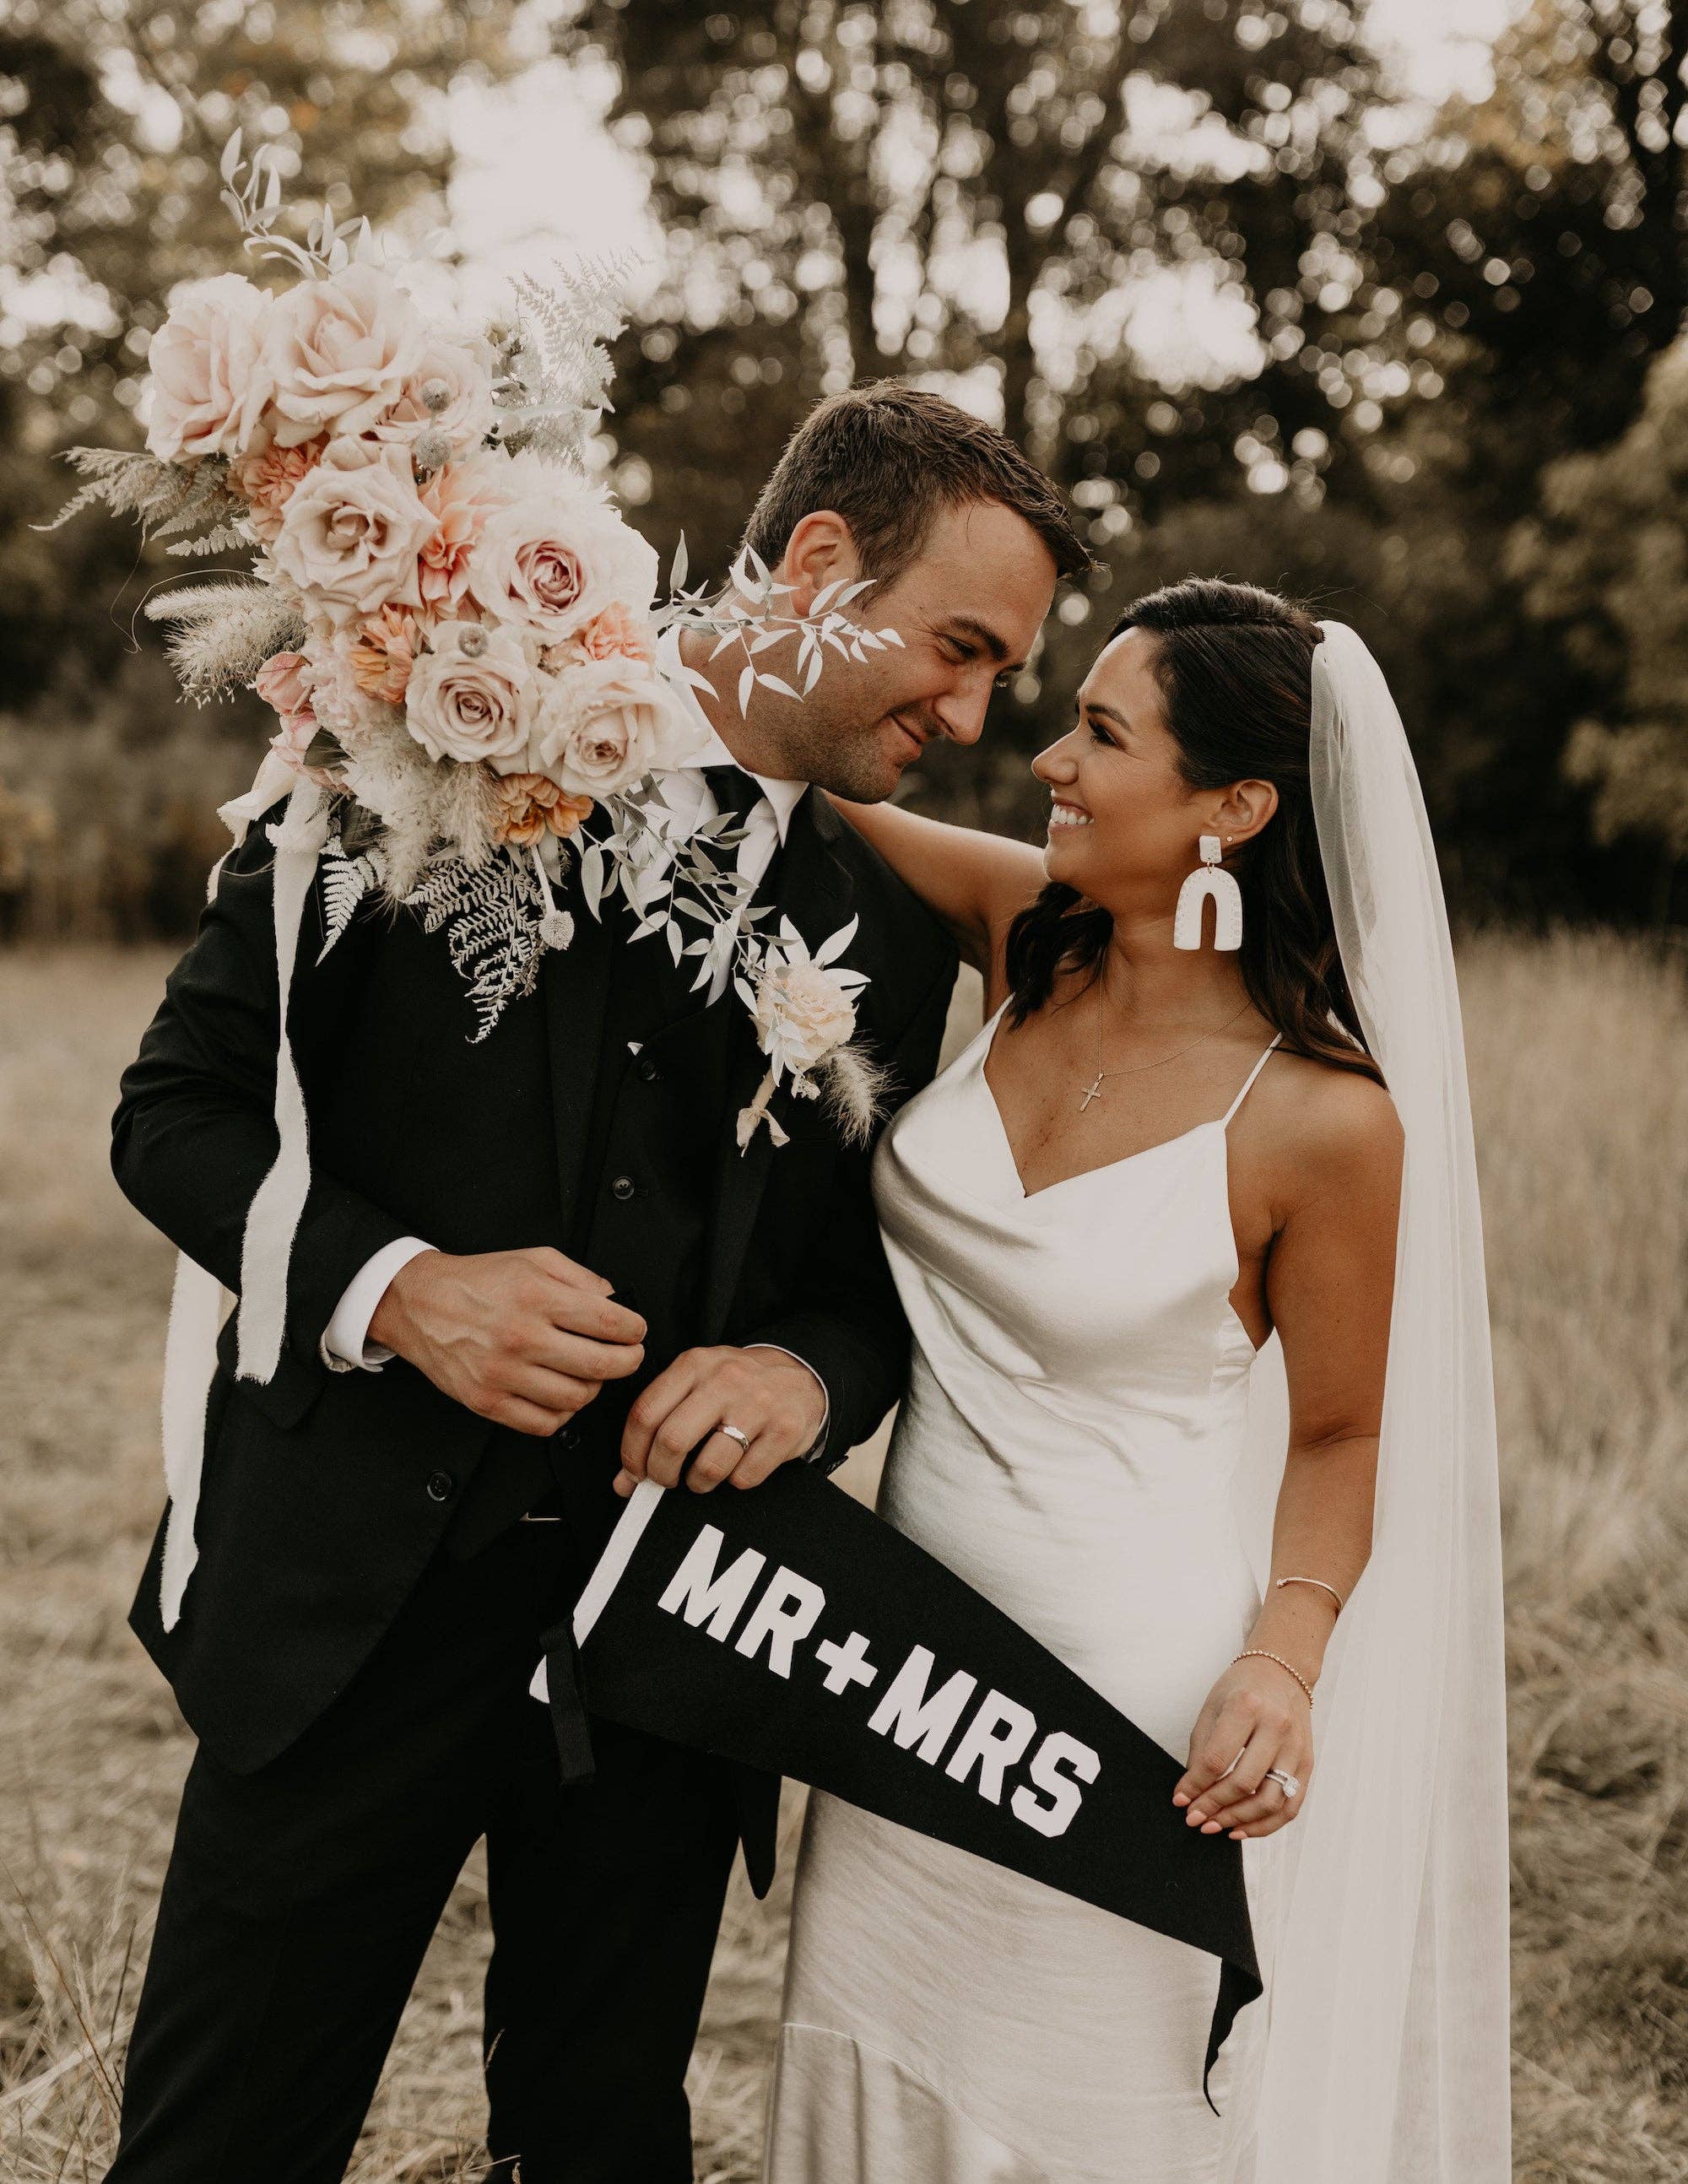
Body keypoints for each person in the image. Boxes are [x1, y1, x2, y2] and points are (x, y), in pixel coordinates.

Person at [101, 382, 1089, 2184]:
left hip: (667, 1642)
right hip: (352, 1606)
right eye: (954, 649)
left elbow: (862, 1278)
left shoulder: (880, 916)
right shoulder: (419, 722)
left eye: (998, 679)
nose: (966, 716)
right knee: (219, 2141)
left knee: (604, 2142)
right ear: (811, 564)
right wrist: (398, 1290)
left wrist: (805, 1377)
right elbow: (173, 1117)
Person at [765, 581, 1512, 2182]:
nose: (1046, 760)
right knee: (873, 2080)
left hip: (1124, 1714)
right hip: (898, 1678)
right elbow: (770, 782)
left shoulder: (1323, 1120)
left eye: (1101, 733)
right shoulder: (1023, 936)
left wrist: (1285, 1663)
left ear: (1233, 807)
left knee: (1080, 2121)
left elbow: (1343, 1431)